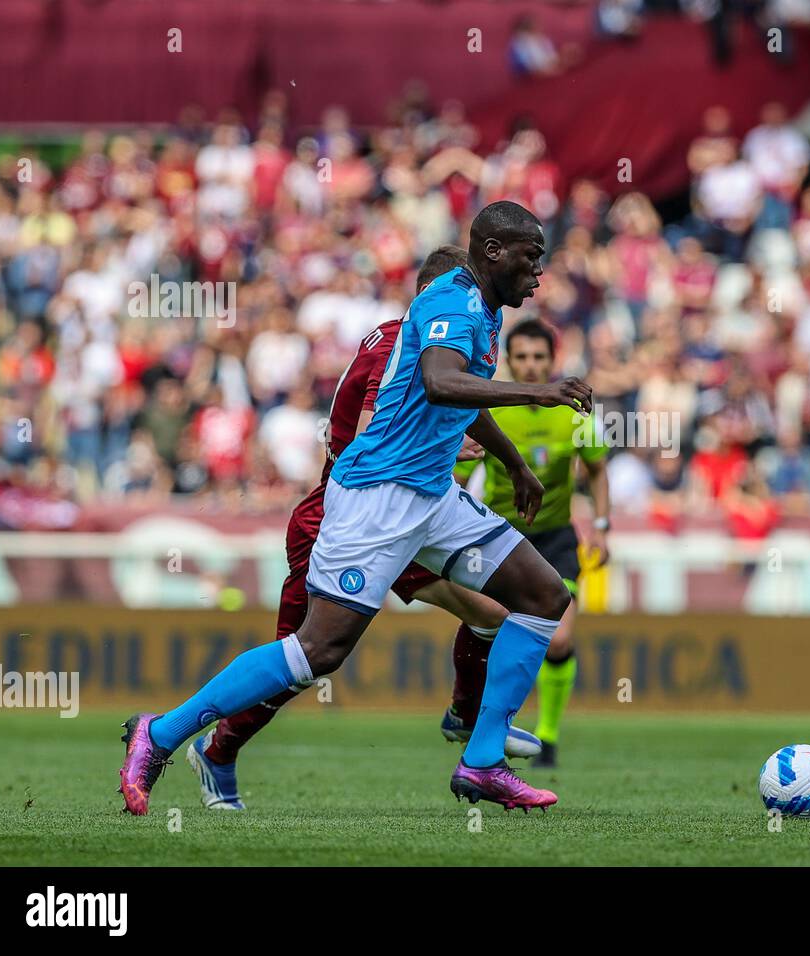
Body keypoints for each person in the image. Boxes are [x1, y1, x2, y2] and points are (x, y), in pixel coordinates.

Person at [118, 201, 593, 815]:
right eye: (531, 258)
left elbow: (458, 401)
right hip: (378, 495)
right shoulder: (453, 305)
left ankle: (481, 761)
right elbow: (440, 383)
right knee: (317, 652)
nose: (539, 273)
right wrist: (538, 392)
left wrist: (513, 463)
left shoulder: (484, 308)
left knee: (544, 596)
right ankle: (158, 735)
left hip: (430, 494)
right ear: (494, 253)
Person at [184, 245, 543, 812]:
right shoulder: (409, 342)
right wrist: (450, 452)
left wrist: (496, 458)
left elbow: (440, 408)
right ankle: (217, 748)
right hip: (349, 514)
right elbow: (382, 430)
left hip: (405, 511)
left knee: (493, 612)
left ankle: (472, 731)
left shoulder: (422, 334)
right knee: (305, 658)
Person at [455, 318, 611, 767]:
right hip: (502, 538)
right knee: (498, 629)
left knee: (559, 641)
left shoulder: (573, 414)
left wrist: (600, 524)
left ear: (552, 360)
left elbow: (598, 469)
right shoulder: (491, 412)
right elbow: (458, 478)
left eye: (539, 357)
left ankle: (548, 734)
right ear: (509, 360)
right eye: (521, 356)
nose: (530, 365)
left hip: (557, 537)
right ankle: (488, 725)